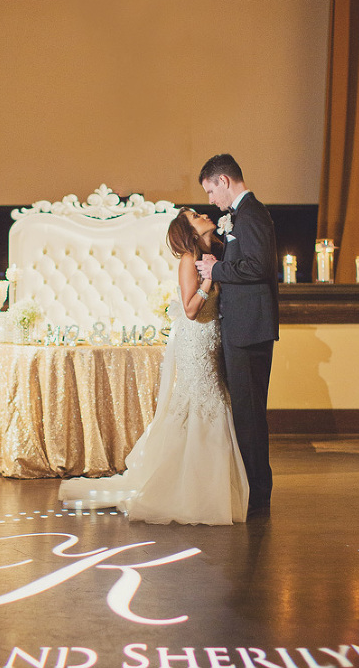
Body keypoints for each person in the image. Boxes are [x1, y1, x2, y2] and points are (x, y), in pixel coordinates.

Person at [58, 207, 248, 524]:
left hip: (210, 337)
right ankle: (182, 486)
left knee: (210, 399)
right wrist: (208, 281)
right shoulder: (188, 260)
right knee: (198, 401)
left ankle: (203, 485)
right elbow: (190, 309)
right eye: (196, 217)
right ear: (189, 231)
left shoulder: (211, 254)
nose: (204, 216)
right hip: (195, 339)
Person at [195, 153, 279, 515]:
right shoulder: (241, 215)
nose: (211, 200)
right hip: (242, 327)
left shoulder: (252, 214)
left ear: (224, 181)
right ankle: (251, 488)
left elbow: (258, 266)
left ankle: (257, 495)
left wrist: (217, 269)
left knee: (250, 414)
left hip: (249, 329)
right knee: (245, 413)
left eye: (211, 191)